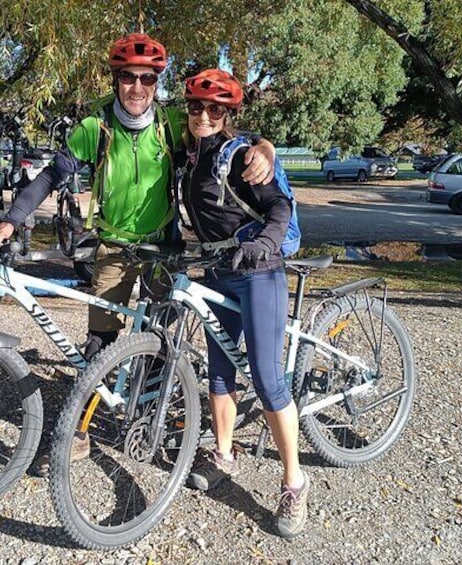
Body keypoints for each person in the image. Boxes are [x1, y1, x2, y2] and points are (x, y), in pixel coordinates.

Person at [0, 33, 275, 360]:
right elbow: (51, 176)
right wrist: (8, 224)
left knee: (157, 338)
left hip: (162, 247)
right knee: (99, 341)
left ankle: (152, 404)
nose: (137, 87)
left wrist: (264, 146)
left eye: (147, 77)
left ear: (156, 82)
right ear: (115, 80)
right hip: (112, 247)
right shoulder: (96, 127)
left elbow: (220, 131)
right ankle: (92, 403)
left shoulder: (172, 124)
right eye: (127, 76)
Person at [179, 69, 309, 539]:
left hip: (257, 271)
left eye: (216, 110)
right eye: (196, 107)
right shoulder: (187, 157)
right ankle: (224, 455)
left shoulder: (241, 156)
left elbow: (279, 206)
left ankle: (294, 482)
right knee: (218, 371)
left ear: (229, 115)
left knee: (268, 379)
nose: (205, 116)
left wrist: (268, 240)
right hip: (218, 272)